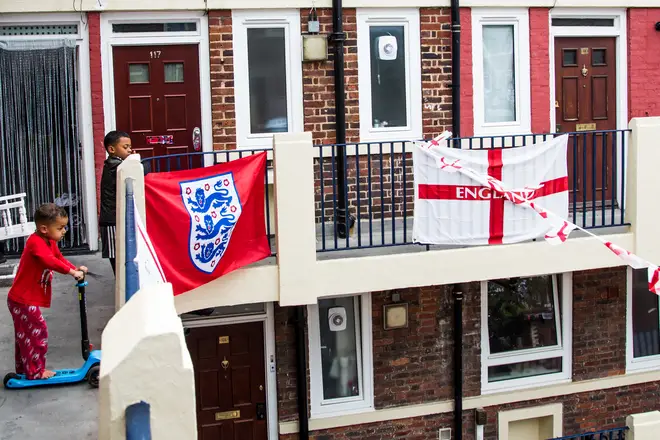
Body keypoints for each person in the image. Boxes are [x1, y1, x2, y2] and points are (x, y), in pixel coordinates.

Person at [7, 203, 86, 380]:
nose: (64, 231)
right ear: (44, 228)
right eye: (60, 228)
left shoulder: (49, 241)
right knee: (37, 332)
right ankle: (35, 372)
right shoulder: (35, 242)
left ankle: (24, 370)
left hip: (25, 298)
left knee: (25, 335)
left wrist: (75, 269)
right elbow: (49, 261)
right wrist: (72, 272)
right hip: (22, 299)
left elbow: (58, 258)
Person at [100, 130, 133, 275]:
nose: (130, 150)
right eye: (125, 147)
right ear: (111, 149)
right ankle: (120, 284)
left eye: (130, 147)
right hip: (111, 220)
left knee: (120, 253)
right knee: (116, 255)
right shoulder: (115, 166)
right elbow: (142, 170)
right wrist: (135, 160)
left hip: (114, 217)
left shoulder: (118, 164)